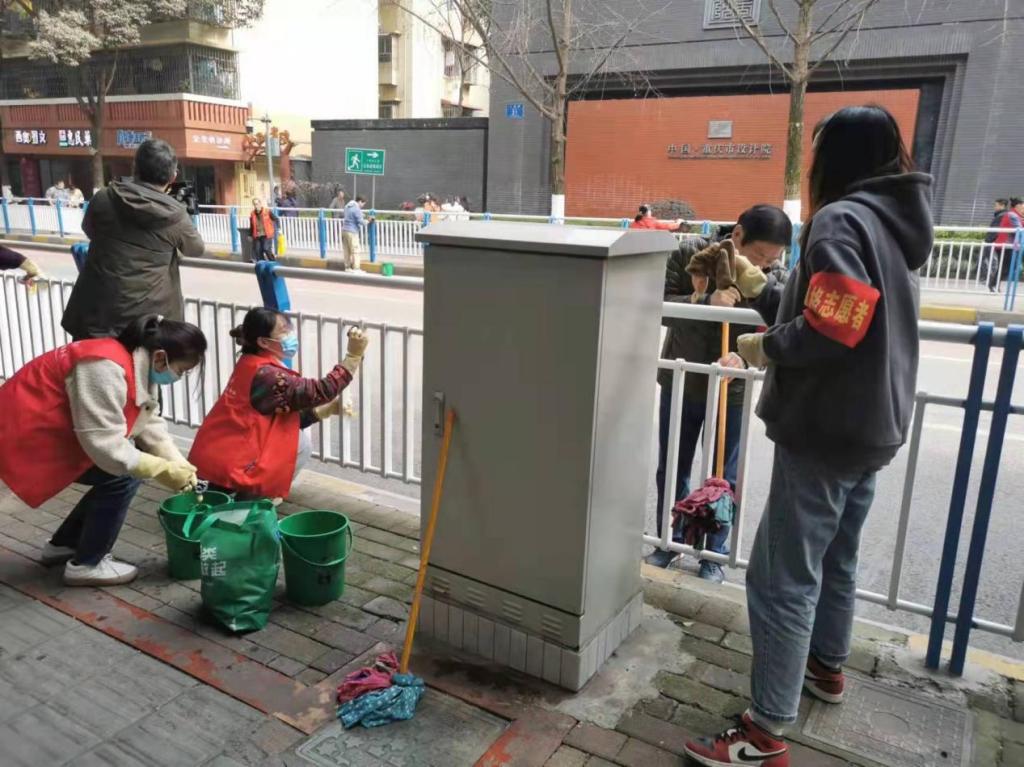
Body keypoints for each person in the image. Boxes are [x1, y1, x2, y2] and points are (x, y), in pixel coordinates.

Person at [684, 105, 933, 767]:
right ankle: (826, 666)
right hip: (873, 425)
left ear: (835, 159)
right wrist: (766, 290)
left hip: (826, 426)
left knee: (780, 579)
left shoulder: (841, 218)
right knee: (837, 557)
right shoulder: (893, 222)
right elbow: (838, 305)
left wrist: (765, 346)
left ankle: (764, 731)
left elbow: (835, 323)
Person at [0, 315, 206, 586]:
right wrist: (160, 469)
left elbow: (146, 419)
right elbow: (107, 447)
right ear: (161, 358)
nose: (179, 377)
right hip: (24, 433)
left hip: (50, 431)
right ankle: (87, 564)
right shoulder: (102, 367)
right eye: (182, 370)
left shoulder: (137, 361)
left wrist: (178, 464)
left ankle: (65, 545)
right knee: (123, 475)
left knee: (121, 472)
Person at [650, 205, 792, 583]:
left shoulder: (777, 278)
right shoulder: (693, 254)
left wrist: (746, 357)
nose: (763, 266)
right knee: (673, 467)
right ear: (738, 235)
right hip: (683, 379)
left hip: (734, 388)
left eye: (772, 259)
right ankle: (670, 541)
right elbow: (656, 306)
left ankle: (713, 552)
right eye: (758, 256)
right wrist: (703, 302)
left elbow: (783, 329)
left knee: (724, 477)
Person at [189, 308, 368, 501]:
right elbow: (320, 391)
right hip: (224, 471)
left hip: (213, 459)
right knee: (298, 445)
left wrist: (322, 411)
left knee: (297, 440)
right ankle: (250, 506)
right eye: (283, 331)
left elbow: (274, 421)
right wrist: (353, 357)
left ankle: (246, 503)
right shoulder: (268, 375)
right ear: (263, 342)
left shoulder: (250, 362)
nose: (290, 335)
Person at [61, 139, 206, 341]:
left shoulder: (104, 197)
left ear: (134, 168)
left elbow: (89, 229)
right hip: (145, 326)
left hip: (96, 317)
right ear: (173, 176)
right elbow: (196, 249)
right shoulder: (175, 215)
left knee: (89, 362)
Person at [986, 196, 1022, 292]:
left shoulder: (1014, 215)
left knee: (1005, 267)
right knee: (1005, 267)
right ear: (1018, 206)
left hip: (1007, 244)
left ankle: (994, 284)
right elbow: (1019, 229)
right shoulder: (1012, 215)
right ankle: (993, 284)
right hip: (1006, 245)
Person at [342, 194, 369, 272]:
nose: (363, 206)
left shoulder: (347, 206)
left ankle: (347, 267)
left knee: (346, 250)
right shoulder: (356, 209)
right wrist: (368, 221)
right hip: (352, 232)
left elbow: (350, 215)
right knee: (355, 250)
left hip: (344, 230)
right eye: (363, 203)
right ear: (360, 201)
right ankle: (356, 268)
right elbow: (361, 222)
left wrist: (361, 215)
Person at [250, 198, 280, 262]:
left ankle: (273, 262)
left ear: (260, 204)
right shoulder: (252, 214)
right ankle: (262, 264)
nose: (256, 206)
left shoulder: (267, 211)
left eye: (257, 204)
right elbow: (252, 225)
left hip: (267, 234)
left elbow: (276, 219)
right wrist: (250, 235)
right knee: (258, 251)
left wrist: (278, 229)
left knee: (266, 249)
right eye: (254, 204)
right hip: (257, 235)